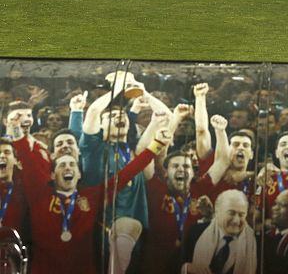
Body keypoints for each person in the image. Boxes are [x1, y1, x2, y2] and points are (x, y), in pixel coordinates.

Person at [9, 109, 170, 274]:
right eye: (62, 165)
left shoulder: (91, 196)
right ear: (52, 174)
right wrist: (15, 127)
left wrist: (157, 143)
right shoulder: (39, 194)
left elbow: (127, 173)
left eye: (72, 165)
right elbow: (26, 157)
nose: (68, 168)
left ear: (79, 174)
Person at [140, 114, 232, 274]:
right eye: (175, 166)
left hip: (193, 263)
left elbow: (223, 161)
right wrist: (157, 136)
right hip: (156, 265)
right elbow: (144, 158)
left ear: (193, 172)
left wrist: (220, 131)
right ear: (166, 173)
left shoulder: (200, 188)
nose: (181, 169)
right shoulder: (156, 188)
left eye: (186, 166)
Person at [182, 189, 257, 274]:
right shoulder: (196, 233)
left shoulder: (255, 243)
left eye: (241, 215)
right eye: (231, 213)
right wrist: (187, 268)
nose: (236, 220)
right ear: (218, 211)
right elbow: (174, 264)